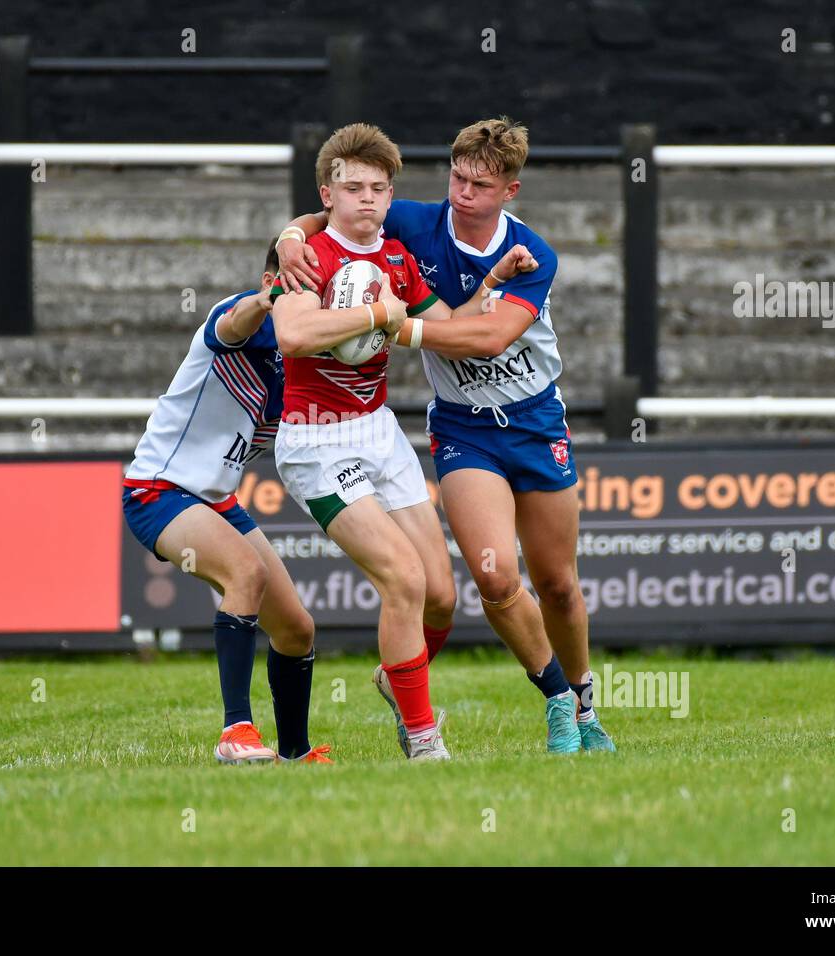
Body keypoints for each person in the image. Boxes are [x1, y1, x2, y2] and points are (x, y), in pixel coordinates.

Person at [275, 117, 613, 754]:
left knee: (560, 584)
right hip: (463, 429)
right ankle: (558, 706)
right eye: (457, 177)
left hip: (536, 422)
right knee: (492, 578)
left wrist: (392, 326)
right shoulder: (411, 221)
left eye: (480, 185)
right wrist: (290, 236)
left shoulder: (534, 253)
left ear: (509, 191)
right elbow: (341, 208)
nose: (463, 193)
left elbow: (483, 337)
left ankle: (586, 702)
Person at [124, 241, 330, 765]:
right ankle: (235, 731)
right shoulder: (237, 319)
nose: (306, 300)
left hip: (215, 500)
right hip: (158, 491)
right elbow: (236, 320)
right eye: (294, 286)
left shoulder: (301, 362)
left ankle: (295, 753)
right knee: (246, 573)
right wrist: (268, 301)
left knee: (296, 627)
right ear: (271, 281)